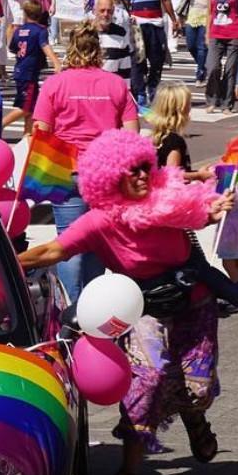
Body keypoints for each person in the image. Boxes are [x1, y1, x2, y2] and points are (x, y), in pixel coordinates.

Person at [18, 129, 233, 475]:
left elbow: (201, 210)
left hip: (193, 302)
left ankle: (193, 415)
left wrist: (213, 210)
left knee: (196, 390)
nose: (141, 175)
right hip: (143, 307)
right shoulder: (100, 221)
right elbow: (54, 251)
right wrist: (2, 262)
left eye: (145, 167)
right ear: (110, 176)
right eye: (130, 170)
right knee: (145, 382)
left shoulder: (169, 199)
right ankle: (129, 470)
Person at [31, 22, 139, 301]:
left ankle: (72, 306)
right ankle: (93, 303)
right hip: (105, 173)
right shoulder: (115, 84)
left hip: (66, 169)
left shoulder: (55, 83)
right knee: (98, 240)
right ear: (98, 51)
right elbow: (132, 133)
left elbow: (40, 130)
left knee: (67, 240)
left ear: (71, 49)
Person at [123, 0, 174, 104]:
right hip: (138, 26)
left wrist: (174, 18)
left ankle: (153, 86)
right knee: (138, 60)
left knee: (156, 59)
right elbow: (125, 1)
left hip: (156, 24)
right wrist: (130, 16)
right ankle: (140, 92)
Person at [2, 0, 60, 131]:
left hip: (20, 70)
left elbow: (12, 47)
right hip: (28, 73)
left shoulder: (19, 30)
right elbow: (45, 46)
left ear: (25, 14)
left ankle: (27, 134)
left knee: (33, 106)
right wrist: (56, 62)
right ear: (39, 14)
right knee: (25, 108)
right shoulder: (40, 31)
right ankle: (0, 125)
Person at [205, 0, 238, 114]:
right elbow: (209, 13)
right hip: (216, 32)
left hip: (234, 32)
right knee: (213, 67)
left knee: (231, 70)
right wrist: (207, 33)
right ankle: (212, 99)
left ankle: (227, 104)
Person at [180, 0, 215, 86]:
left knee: (202, 47)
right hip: (192, 13)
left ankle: (200, 74)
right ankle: (204, 64)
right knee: (190, 45)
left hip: (206, 13)